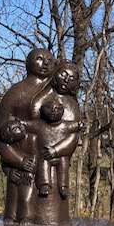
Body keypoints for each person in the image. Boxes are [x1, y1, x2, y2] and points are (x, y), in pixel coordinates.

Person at [0, 48, 55, 226]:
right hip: (23, 160)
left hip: (50, 161)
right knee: (18, 195)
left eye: (49, 59)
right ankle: (15, 216)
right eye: (39, 59)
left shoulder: (59, 92)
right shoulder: (16, 92)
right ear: (27, 63)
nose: (45, 63)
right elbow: (1, 136)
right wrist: (18, 160)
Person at [0, 97, 84, 198]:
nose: (53, 111)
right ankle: (44, 184)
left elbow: (73, 126)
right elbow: (27, 124)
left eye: (57, 109)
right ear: (42, 111)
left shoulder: (64, 125)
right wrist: (20, 122)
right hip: (44, 156)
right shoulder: (38, 125)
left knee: (64, 163)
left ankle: (63, 186)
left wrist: (80, 124)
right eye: (49, 108)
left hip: (59, 155)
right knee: (43, 163)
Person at [30, 62, 82, 199]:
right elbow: (33, 125)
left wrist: (57, 150)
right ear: (54, 75)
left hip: (61, 152)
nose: (66, 80)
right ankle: (44, 184)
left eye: (71, 79)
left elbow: (73, 136)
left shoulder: (72, 105)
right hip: (40, 151)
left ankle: (63, 186)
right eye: (63, 75)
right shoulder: (40, 98)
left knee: (63, 165)